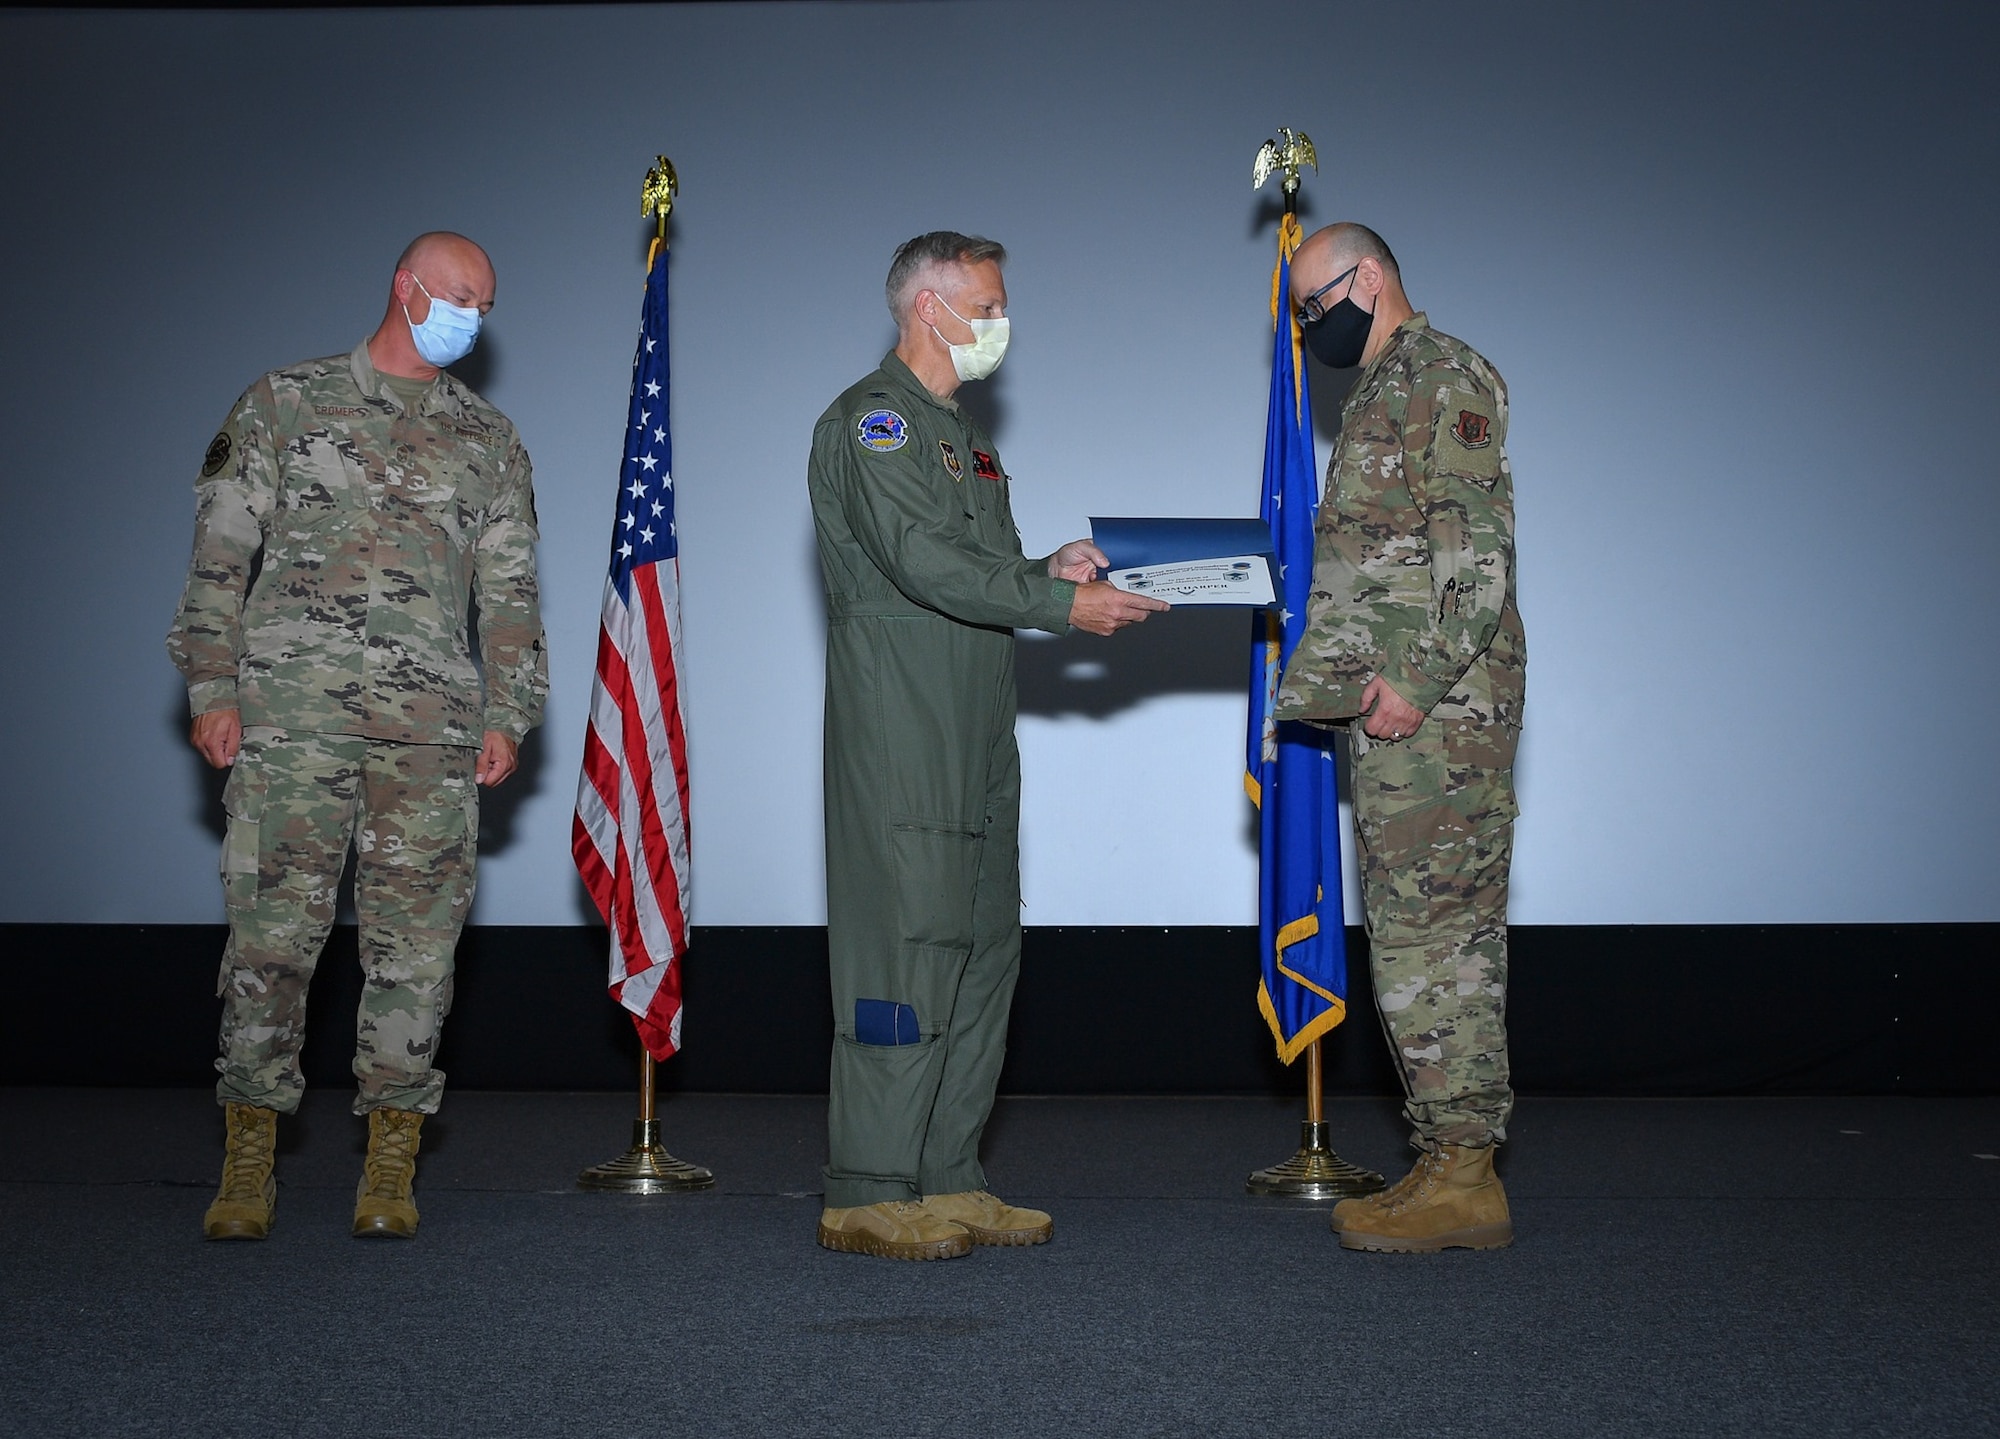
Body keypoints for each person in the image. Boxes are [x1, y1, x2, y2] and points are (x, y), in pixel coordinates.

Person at [166, 232, 547, 1242]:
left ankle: (390, 1160)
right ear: (405, 287)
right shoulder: (284, 403)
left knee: (416, 953)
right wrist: (212, 685)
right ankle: (248, 1157)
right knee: (270, 943)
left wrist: (510, 708)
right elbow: (218, 560)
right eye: (457, 295)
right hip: (291, 720)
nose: (471, 316)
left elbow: (510, 595)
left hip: (429, 735)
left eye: (484, 303)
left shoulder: (490, 440)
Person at [807, 231, 1166, 1260]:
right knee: (904, 941)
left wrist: (1044, 561)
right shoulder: (871, 423)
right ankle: (867, 1184)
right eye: (986, 304)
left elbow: (973, 562)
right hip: (900, 718)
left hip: (974, 714)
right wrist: (1060, 601)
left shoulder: (962, 438)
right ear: (928, 307)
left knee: (978, 950)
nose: (1000, 324)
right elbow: (922, 561)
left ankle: (947, 1173)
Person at [1276, 223, 1526, 1252]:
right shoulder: (1378, 388)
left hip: (1438, 712)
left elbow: (1474, 550)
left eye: (1313, 302)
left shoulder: (1439, 373)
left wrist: (1416, 684)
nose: (1306, 326)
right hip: (1395, 710)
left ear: (1367, 278)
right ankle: (1442, 1159)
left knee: (1443, 936)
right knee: (1415, 932)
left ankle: (1466, 1172)